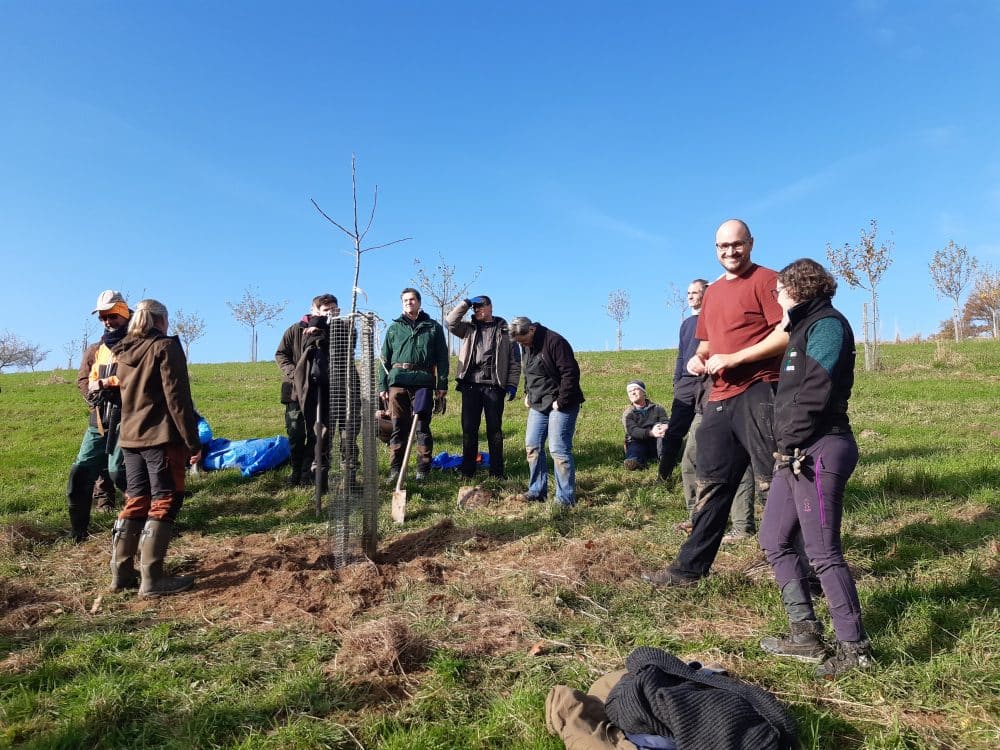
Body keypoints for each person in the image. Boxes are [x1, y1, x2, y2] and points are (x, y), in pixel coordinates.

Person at [646, 218, 787, 586]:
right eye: (723, 247)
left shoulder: (767, 280)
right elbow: (707, 343)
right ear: (715, 250)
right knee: (711, 481)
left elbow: (785, 334)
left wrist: (738, 358)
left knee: (774, 481)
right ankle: (689, 570)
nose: (730, 252)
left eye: (737, 245)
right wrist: (699, 358)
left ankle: (791, 565)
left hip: (760, 389)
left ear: (751, 243)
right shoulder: (712, 294)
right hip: (720, 395)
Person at [758, 258, 872, 678]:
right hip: (796, 452)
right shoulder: (802, 328)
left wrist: (789, 440)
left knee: (823, 551)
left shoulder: (827, 325)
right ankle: (804, 632)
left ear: (795, 288)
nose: (777, 297)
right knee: (773, 538)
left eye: (779, 290)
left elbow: (816, 392)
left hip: (820, 449)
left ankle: (855, 650)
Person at [111, 299, 201, 597]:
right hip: (161, 438)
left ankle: (121, 573)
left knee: (136, 499)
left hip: (129, 438)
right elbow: (177, 399)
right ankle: (152, 580)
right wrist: (192, 441)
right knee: (165, 500)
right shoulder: (165, 347)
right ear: (161, 320)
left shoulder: (123, 350)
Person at [66, 290, 130, 542]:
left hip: (128, 420)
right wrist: (94, 397)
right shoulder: (96, 349)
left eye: (113, 314)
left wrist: (108, 384)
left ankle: (148, 524)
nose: (107, 320)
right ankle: (78, 532)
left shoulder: (139, 343)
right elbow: (83, 380)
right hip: (100, 421)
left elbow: (139, 377)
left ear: (125, 312)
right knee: (80, 472)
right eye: (103, 316)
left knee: (120, 472)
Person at [509, 317, 585, 508]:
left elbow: (570, 373)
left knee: (558, 449)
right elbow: (529, 371)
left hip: (561, 403)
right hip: (538, 402)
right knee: (532, 446)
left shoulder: (555, 342)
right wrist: (527, 393)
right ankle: (536, 491)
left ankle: (565, 499)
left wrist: (561, 401)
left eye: (523, 340)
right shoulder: (525, 343)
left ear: (532, 330)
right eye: (518, 342)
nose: (522, 344)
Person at [447, 295, 521, 479]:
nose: (477, 310)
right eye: (475, 308)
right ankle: (467, 471)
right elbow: (450, 322)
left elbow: (515, 361)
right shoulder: (468, 328)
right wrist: (465, 303)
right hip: (470, 385)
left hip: (494, 386)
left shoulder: (506, 330)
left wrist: (512, 384)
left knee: (495, 431)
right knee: (469, 430)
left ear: (490, 307)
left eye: (481, 307)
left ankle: (497, 473)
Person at [379, 288, 449, 482]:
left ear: (419, 302)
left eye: (411, 300)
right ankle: (395, 470)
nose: (408, 303)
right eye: (405, 300)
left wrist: (442, 384)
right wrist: (382, 386)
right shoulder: (394, 328)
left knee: (421, 427)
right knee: (398, 426)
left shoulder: (433, 327)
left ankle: (423, 470)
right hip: (398, 380)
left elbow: (443, 358)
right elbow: (384, 359)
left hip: (423, 381)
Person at [276, 294, 343, 486]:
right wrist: (295, 373)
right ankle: (295, 472)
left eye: (334, 310)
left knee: (317, 434)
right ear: (314, 310)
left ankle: (308, 474)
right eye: (326, 309)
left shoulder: (335, 332)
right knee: (296, 432)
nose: (330, 313)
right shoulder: (295, 330)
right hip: (295, 391)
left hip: (320, 391)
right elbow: (281, 354)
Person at [657, 279, 708, 481]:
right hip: (686, 384)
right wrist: (677, 381)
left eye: (695, 292)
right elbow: (681, 354)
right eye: (688, 293)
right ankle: (663, 476)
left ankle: (703, 475)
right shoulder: (686, 324)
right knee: (675, 431)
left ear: (706, 294)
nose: (690, 296)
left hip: (707, 381)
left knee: (705, 430)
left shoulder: (713, 318)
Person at [621, 380, 669, 471]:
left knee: (661, 431)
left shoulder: (658, 409)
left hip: (656, 441)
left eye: (635, 389)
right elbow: (632, 431)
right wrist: (650, 433)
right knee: (635, 447)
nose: (632, 393)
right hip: (638, 440)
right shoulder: (628, 414)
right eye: (629, 392)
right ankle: (634, 462)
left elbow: (665, 421)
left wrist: (664, 427)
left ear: (643, 392)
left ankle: (665, 458)